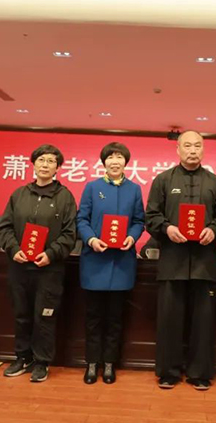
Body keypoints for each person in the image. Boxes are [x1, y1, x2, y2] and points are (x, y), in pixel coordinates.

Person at [145, 130, 216, 390]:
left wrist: (213, 230)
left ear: (203, 149)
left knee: (203, 323)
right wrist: (167, 228)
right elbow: (151, 216)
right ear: (178, 149)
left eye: (197, 146)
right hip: (172, 263)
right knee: (169, 321)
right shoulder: (163, 180)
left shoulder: (214, 182)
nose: (192, 150)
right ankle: (168, 372)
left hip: (204, 264)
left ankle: (199, 372)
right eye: (187, 146)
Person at [0, 144, 77, 383]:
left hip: (49, 269)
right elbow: (5, 228)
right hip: (20, 267)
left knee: (45, 317)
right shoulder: (19, 194)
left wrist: (51, 254)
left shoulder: (65, 197)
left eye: (51, 161)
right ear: (33, 164)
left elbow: (69, 234)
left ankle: (42, 361)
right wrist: (14, 249)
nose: (45, 165)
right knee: (21, 315)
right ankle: (22, 357)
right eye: (41, 160)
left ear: (58, 168)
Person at [76, 142, 145, 385]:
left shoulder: (134, 189)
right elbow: (82, 219)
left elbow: (139, 221)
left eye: (119, 157)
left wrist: (132, 237)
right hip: (95, 261)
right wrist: (91, 239)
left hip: (121, 263)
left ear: (126, 162)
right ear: (103, 162)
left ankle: (109, 364)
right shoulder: (92, 187)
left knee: (115, 318)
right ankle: (91, 363)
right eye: (110, 157)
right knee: (93, 318)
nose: (115, 161)